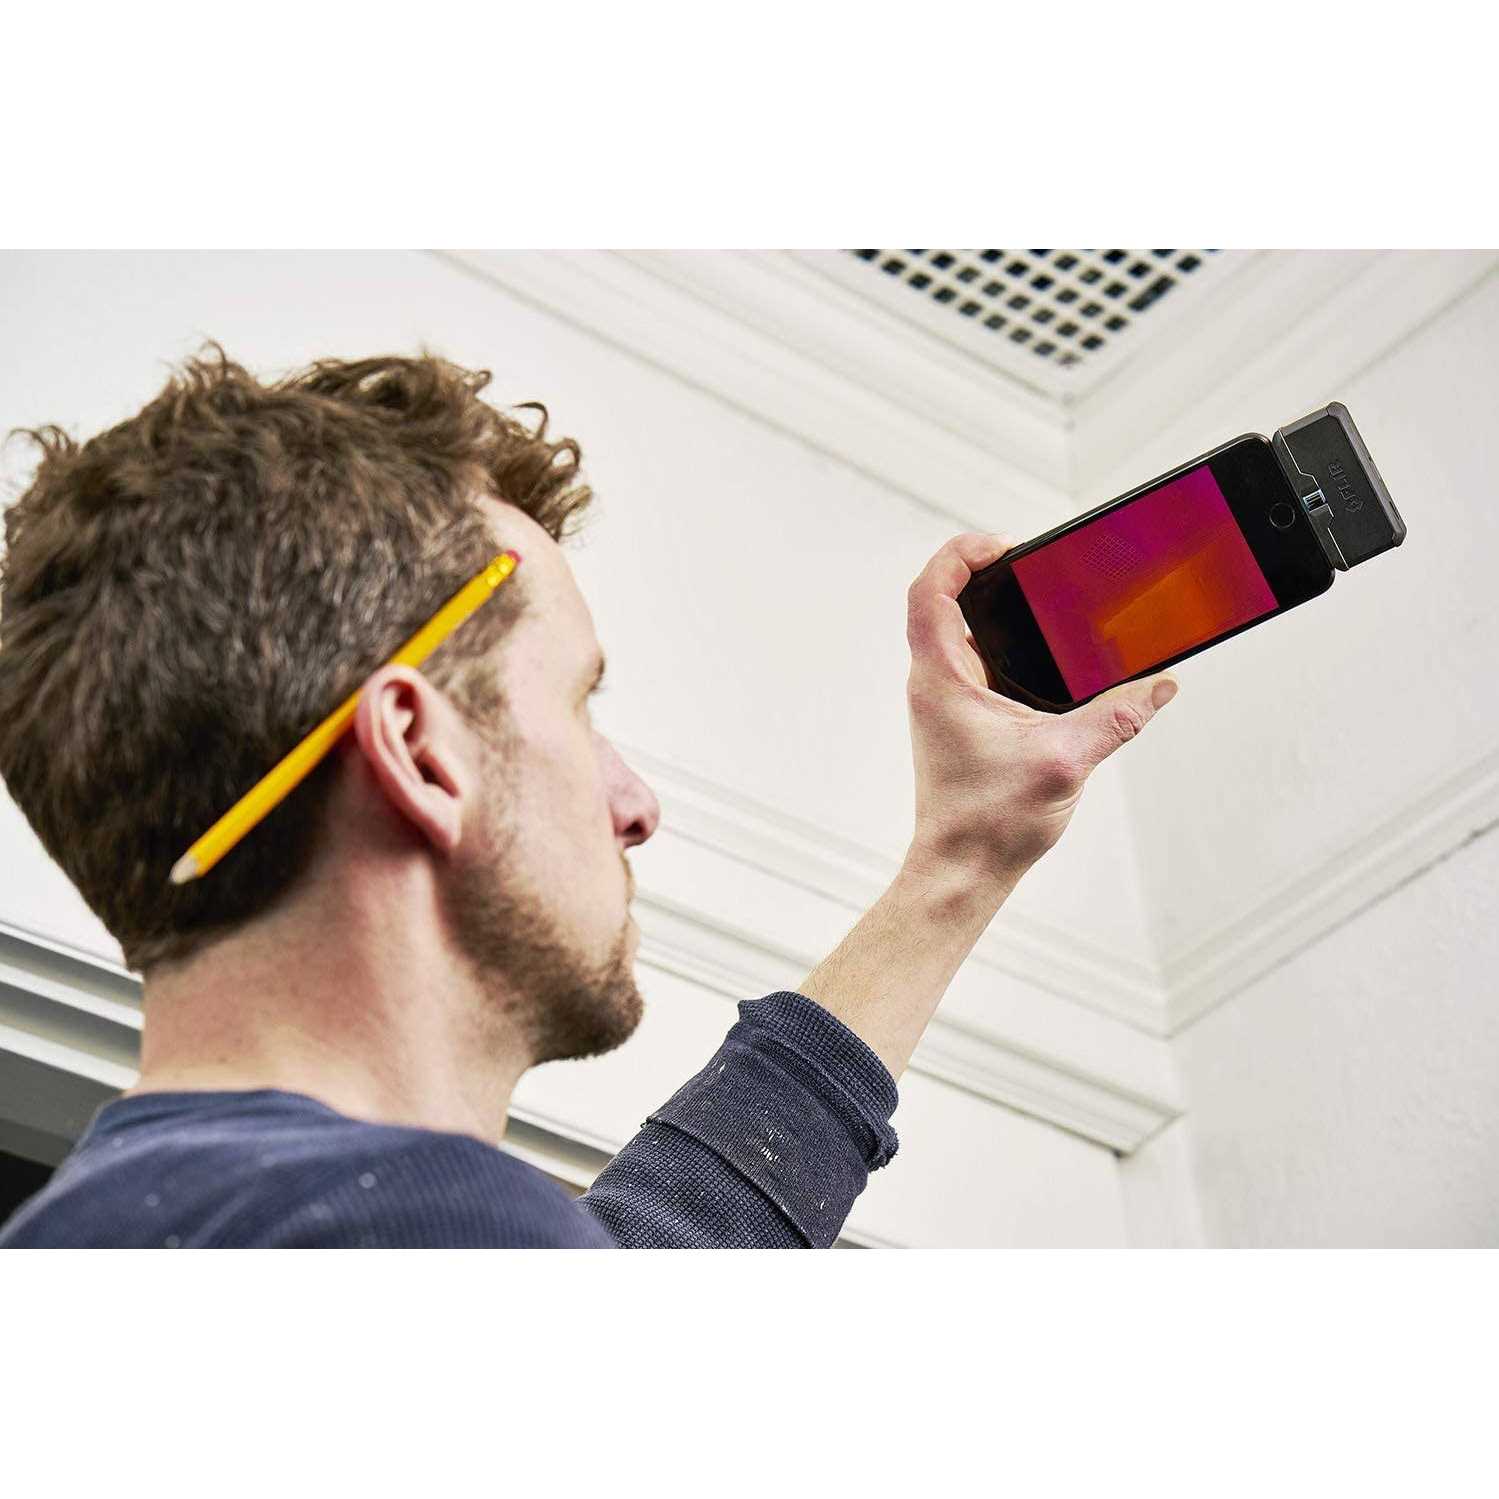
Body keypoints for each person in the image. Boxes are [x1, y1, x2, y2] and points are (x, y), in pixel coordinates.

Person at [0, 347, 1176, 1248]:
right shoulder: (425, 1229)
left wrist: (960, 858)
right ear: (419, 752)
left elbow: (664, 1248)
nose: (635, 802)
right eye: (577, 705)